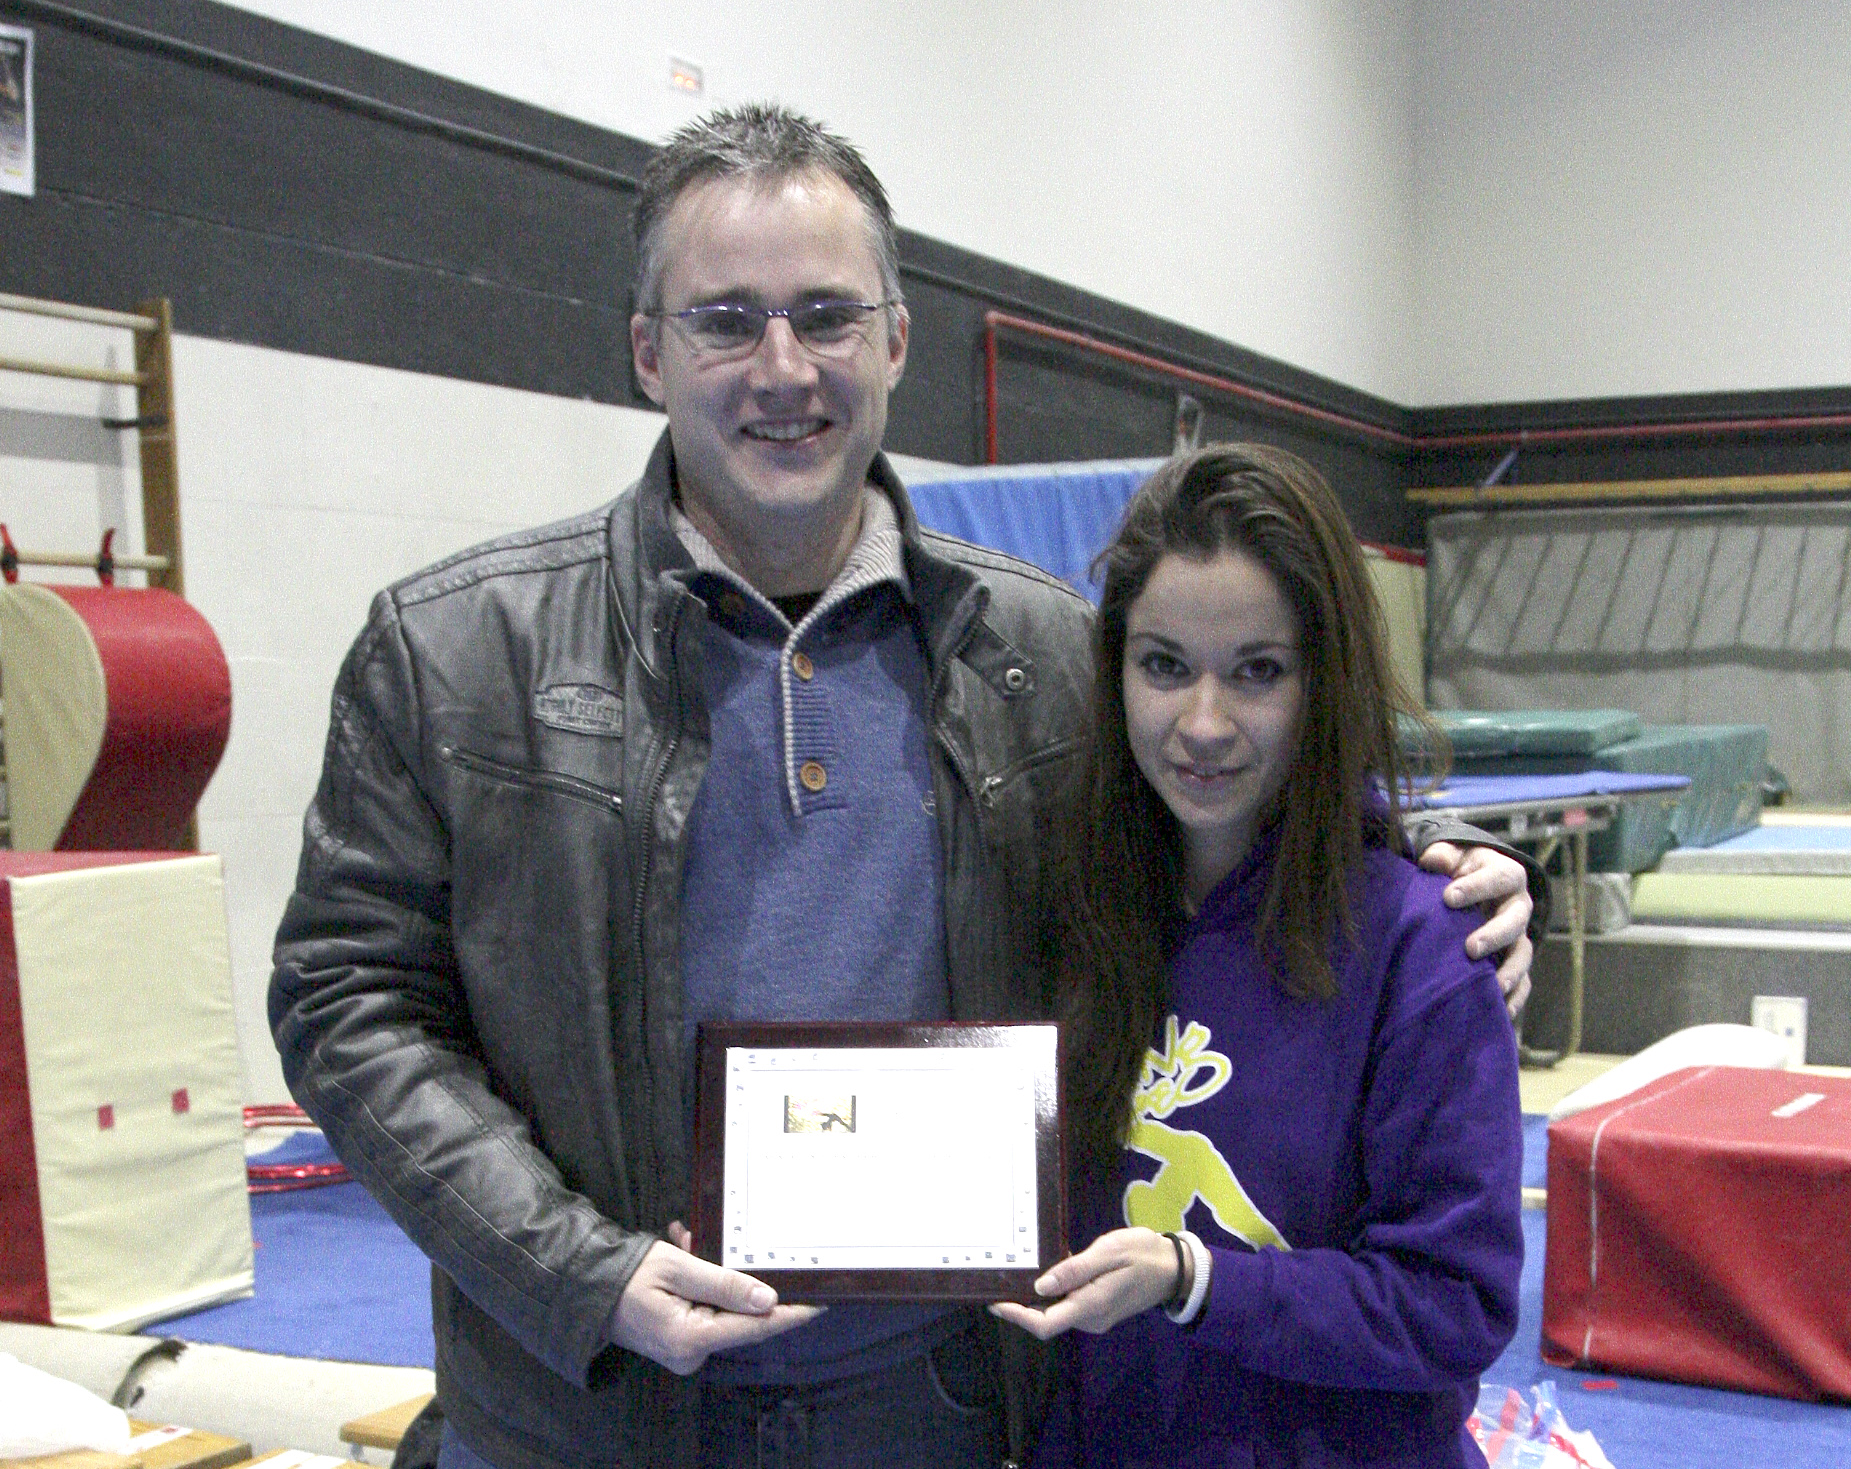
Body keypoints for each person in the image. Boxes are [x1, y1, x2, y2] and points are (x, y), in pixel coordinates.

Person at [270, 104, 1538, 1469]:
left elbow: (1227, 781)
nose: (782, 368)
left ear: (895, 341)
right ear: (647, 351)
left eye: (827, 315)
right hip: (584, 1413)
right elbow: (347, 999)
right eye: (724, 320)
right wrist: (579, 1269)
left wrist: (1441, 861)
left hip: (933, 1413)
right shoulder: (458, 652)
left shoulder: (1038, 650)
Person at [989, 443, 1524, 1467]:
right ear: (1115, 672)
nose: (1203, 723)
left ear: (1324, 680)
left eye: (1257, 671)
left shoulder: (1423, 942)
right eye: (1163, 665)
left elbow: (1455, 1301)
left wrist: (1197, 1278)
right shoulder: (1067, 908)